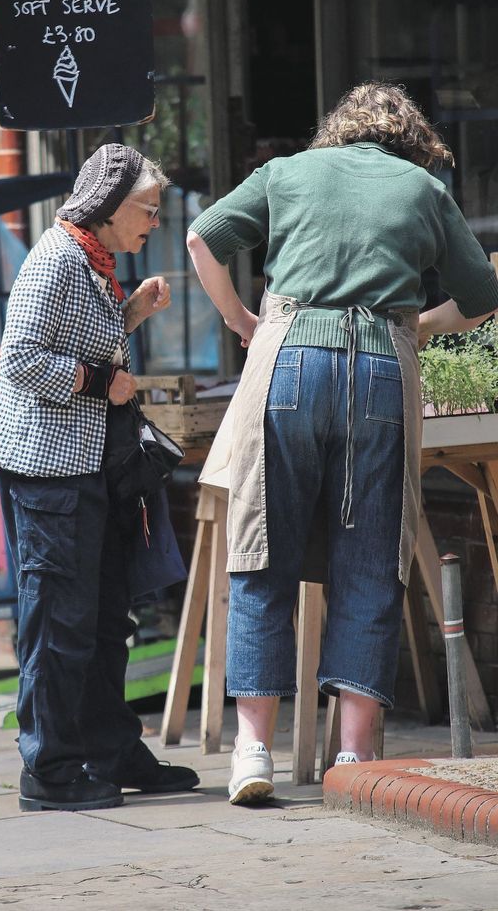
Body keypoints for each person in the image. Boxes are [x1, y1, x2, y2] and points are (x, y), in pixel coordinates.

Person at [186, 83, 498, 806]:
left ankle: (252, 750)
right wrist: (420, 324)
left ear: (340, 130)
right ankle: (354, 762)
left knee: (261, 552)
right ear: (412, 141)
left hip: (289, 358)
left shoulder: (289, 172)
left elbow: (202, 236)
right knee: (370, 559)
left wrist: (241, 319)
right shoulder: (422, 188)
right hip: (383, 371)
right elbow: (482, 292)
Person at [0, 143, 199, 812]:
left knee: (105, 618)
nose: (154, 222)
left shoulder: (93, 261)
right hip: (49, 470)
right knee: (58, 620)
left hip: (86, 467)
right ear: (108, 207)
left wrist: (130, 312)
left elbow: (73, 339)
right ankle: (48, 768)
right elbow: (19, 357)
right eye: (149, 210)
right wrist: (102, 382)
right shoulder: (55, 258)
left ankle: (107, 747)